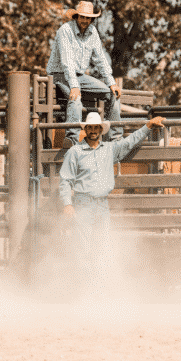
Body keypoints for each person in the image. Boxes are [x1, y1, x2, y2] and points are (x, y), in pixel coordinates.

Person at [58, 112, 165, 293]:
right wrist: (67, 204)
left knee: (102, 246)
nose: (93, 130)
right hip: (83, 203)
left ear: (101, 129)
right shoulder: (74, 152)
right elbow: (65, 180)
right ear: (85, 129)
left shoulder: (109, 149)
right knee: (83, 248)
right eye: (90, 127)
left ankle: (99, 288)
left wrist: (148, 126)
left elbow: (129, 142)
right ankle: (85, 290)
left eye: (96, 127)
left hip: (102, 204)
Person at [47, 1, 122, 148]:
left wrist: (112, 82)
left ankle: (116, 138)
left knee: (112, 94)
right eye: (82, 17)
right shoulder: (65, 30)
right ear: (76, 16)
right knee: (75, 98)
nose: (85, 21)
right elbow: (66, 61)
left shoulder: (92, 32)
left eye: (88, 18)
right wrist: (74, 86)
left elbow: (100, 59)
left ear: (92, 19)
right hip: (60, 73)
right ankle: (72, 138)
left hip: (79, 76)